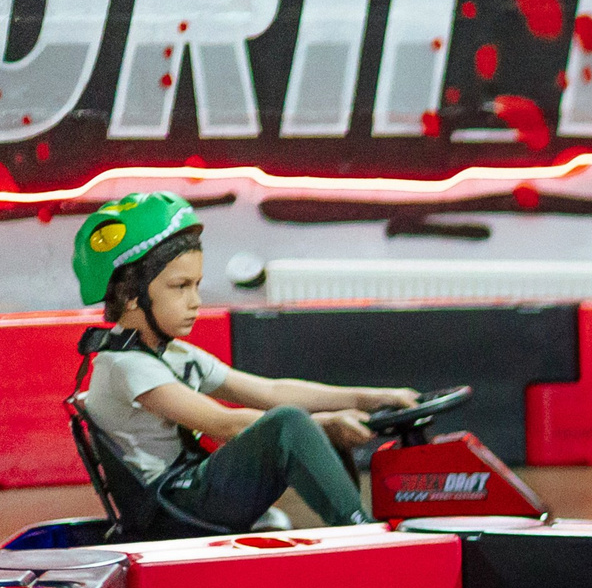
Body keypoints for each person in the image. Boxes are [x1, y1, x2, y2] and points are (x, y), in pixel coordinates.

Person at [71, 192, 415, 532]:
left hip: (186, 495)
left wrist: (369, 397)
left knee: (291, 421)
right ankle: (362, 532)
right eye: (180, 287)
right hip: (170, 511)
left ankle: (355, 530)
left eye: (197, 285)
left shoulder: (173, 355)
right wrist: (319, 426)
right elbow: (224, 424)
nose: (196, 301)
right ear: (132, 296)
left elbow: (271, 391)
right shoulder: (125, 366)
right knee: (290, 424)